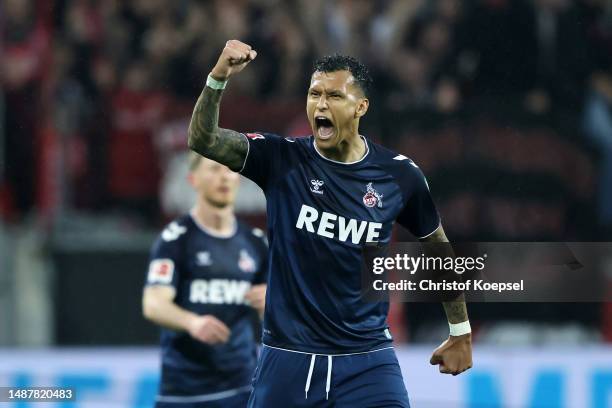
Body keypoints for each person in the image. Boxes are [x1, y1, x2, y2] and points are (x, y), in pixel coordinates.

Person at [187, 40, 473, 407]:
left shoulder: (398, 176)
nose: (320, 105)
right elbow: (203, 139)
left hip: (367, 361)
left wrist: (460, 330)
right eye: (314, 94)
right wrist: (218, 77)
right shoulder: (281, 159)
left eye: (334, 96)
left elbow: (438, 247)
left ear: (360, 107)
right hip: (288, 359)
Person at [142, 152, 268, 407]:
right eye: (213, 170)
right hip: (185, 392)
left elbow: (274, 319)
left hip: (243, 388)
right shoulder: (176, 240)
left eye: (230, 170)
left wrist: (271, 304)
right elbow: (154, 304)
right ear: (193, 179)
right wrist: (192, 322)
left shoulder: (256, 242)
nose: (223, 177)